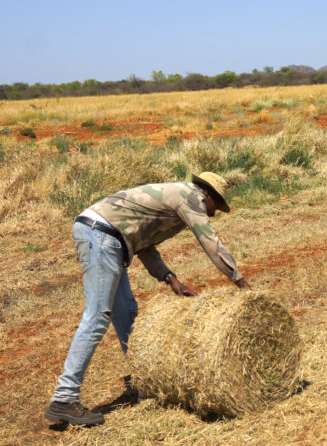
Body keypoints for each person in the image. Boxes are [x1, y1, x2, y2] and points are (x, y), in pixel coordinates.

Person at [44, 172, 251, 425]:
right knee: (97, 316)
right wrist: (241, 283)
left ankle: (146, 382)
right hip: (102, 236)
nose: (213, 213)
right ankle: (64, 399)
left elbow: (144, 246)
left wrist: (171, 279)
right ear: (207, 194)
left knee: (127, 315)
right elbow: (210, 242)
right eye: (216, 207)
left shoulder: (173, 198)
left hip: (108, 237)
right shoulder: (190, 198)